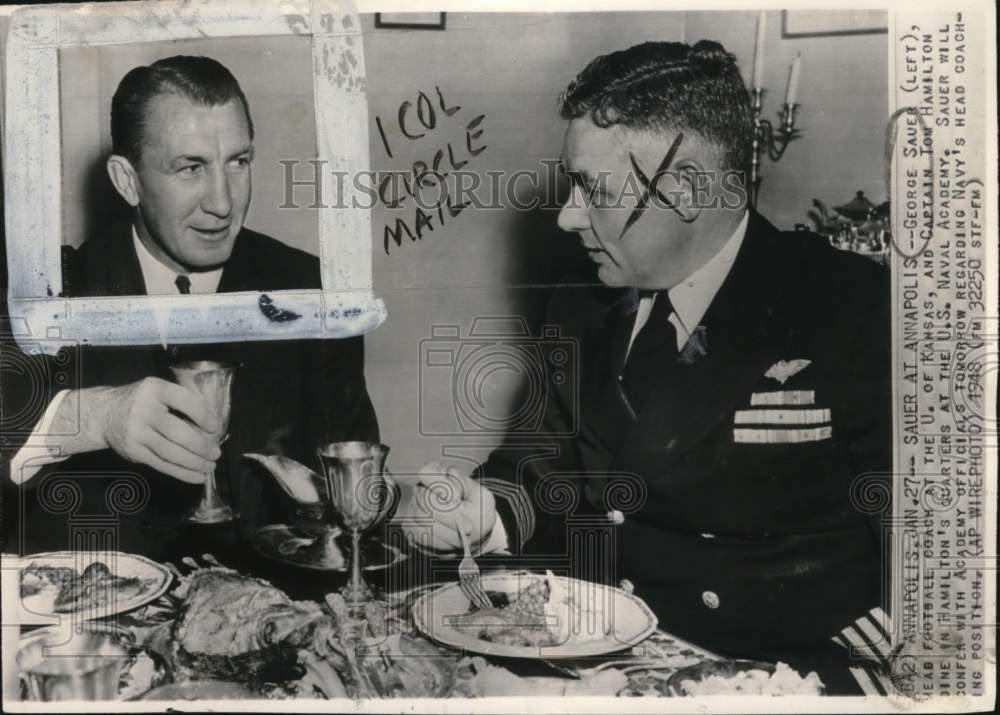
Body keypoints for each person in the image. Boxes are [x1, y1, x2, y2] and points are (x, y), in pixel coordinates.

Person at [396, 41, 892, 693]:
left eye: (592, 189)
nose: (568, 215)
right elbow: (540, 473)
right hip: (600, 670)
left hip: (773, 682)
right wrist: (474, 510)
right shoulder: (580, 304)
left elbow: (931, 554)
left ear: (685, 189)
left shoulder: (853, 308)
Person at [2, 56, 378, 559]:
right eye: (190, 168)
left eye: (238, 162)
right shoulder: (46, 294)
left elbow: (355, 482)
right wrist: (88, 417)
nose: (223, 202)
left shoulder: (309, 291)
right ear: (127, 180)